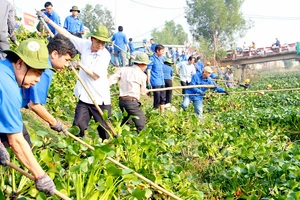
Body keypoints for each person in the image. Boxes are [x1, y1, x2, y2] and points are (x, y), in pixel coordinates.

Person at [37, 11, 112, 140]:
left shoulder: (105, 55)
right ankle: (75, 150)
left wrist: (79, 65)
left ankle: (111, 153)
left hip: (100, 98)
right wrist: (48, 21)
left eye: (103, 43)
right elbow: (67, 35)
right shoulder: (86, 46)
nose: (100, 45)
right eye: (98, 41)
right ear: (92, 39)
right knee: (78, 126)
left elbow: (95, 75)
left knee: (105, 131)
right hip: (85, 96)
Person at [0, 34, 77, 148]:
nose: (66, 65)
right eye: (66, 60)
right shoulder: (43, 70)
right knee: (22, 145)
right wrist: (55, 123)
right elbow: (34, 105)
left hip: (7, 105)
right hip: (7, 105)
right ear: (55, 54)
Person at [0, 38, 55, 195]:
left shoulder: (2, 68)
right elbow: (16, 141)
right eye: (36, 73)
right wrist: (40, 175)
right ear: (19, 64)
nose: (37, 80)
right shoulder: (8, 87)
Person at [109, 52, 150, 132]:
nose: (146, 67)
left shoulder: (124, 70)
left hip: (122, 102)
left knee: (127, 120)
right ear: (142, 64)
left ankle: (119, 136)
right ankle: (142, 138)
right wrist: (145, 91)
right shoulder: (142, 75)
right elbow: (142, 92)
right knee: (140, 120)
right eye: (146, 65)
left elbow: (111, 80)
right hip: (131, 102)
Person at [147, 44, 166, 112]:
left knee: (163, 98)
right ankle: (154, 114)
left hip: (162, 81)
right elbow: (149, 70)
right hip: (155, 81)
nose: (163, 53)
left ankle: (162, 114)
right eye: (162, 51)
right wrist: (148, 81)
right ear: (157, 51)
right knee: (157, 99)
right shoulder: (152, 59)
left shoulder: (161, 59)